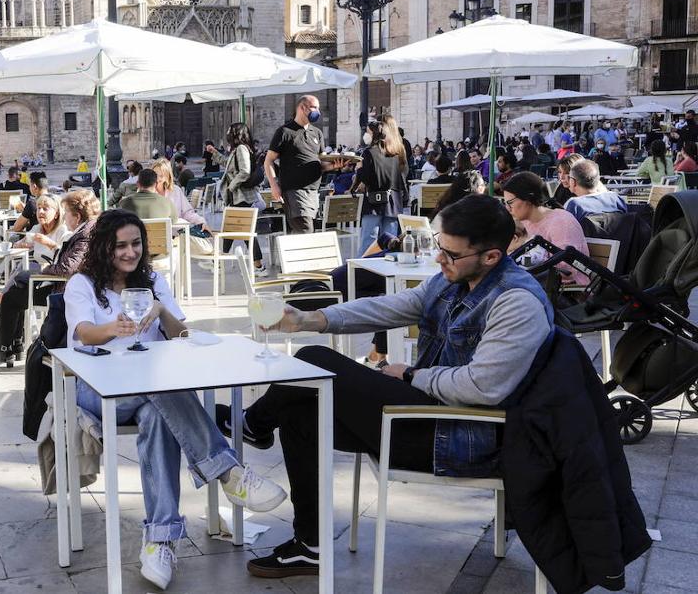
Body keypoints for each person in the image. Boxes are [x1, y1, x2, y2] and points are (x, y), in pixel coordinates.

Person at [220, 195, 552, 579]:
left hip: (462, 436)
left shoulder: (516, 302)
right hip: (427, 413)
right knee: (302, 409)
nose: (440, 259)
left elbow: (483, 387)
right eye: (439, 248)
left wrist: (411, 375)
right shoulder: (456, 280)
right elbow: (389, 307)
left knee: (314, 359)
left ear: (491, 256)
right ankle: (309, 546)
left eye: (450, 254)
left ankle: (252, 424)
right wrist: (312, 318)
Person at [66, 210, 286, 589]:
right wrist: (112, 329)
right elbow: (83, 333)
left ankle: (160, 538)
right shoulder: (82, 284)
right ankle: (227, 470)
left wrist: (162, 310)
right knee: (160, 385)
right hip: (98, 389)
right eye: (120, 245)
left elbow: (182, 336)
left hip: (152, 390)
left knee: (156, 413)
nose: (130, 252)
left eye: (136, 243)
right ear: (104, 247)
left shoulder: (151, 281)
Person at [0, 189, 101, 365]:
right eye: (39, 208)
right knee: (16, 289)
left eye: (66, 212)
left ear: (76, 216)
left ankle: (5, 349)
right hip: (58, 285)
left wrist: (43, 269)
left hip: (61, 290)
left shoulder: (80, 234)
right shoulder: (82, 231)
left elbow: (67, 267)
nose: (41, 212)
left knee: (11, 296)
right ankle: (14, 346)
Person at [265, 95, 339, 234]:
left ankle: (286, 253)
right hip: (294, 191)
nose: (318, 112)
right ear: (302, 108)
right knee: (305, 230)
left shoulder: (317, 133)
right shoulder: (284, 132)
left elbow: (321, 163)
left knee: (301, 232)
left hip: (312, 191)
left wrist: (333, 166)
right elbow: (268, 161)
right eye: (314, 107)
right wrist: (274, 185)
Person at [501, 171, 589, 285]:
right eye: (505, 203)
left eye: (510, 202)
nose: (507, 208)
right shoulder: (522, 223)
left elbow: (567, 269)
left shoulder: (561, 221)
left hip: (567, 292)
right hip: (532, 285)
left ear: (528, 199)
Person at [353, 116, 407, 255]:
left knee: (369, 240)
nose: (365, 135)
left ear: (373, 134)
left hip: (374, 200)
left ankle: (361, 270)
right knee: (390, 241)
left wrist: (359, 169)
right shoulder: (394, 153)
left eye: (368, 132)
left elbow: (366, 177)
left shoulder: (368, 152)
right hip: (393, 201)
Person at [221, 122, 265, 273]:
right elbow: (229, 166)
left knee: (244, 231)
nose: (227, 133)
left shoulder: (241, 148)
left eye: (230, 130)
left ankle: (258, 266)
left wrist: (231, 186)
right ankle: (220, 260)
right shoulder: (239, 149)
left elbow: (245, 171)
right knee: (233, 229)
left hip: (241, 196)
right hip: (238, 197)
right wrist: (214, 152)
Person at [13, 193, 68, 267]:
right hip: (40, 271)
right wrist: (21, 245)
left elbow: (67, 257)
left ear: (56, 214)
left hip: (57, 272)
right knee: (19, 268)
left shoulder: (63, 231)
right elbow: (16, 245)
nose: (40, 211)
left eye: (45, 209)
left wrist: (49, 243)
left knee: (21, 272)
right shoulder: (37, 228)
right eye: (38, 208)